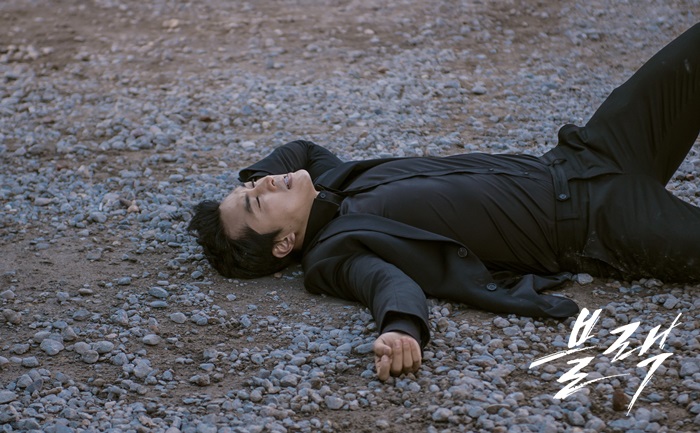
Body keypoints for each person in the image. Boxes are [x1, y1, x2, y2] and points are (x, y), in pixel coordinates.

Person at [188, 24, 700, 381]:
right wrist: (400, 330)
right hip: (601, 222)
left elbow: (299, 150)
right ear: (285, 244)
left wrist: (251, 187)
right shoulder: (334, 252)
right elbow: (387, 283)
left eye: (250, 186)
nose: (262, 184)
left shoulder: (330, 181)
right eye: (255, 203)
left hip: (588, 153)